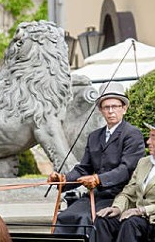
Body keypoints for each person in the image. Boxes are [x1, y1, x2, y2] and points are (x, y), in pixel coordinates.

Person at [47, 81, 145, 233]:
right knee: (65, 217)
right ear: (100, 110)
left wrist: (98, 179)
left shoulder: (132, 134)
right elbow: (83, 168)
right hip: (95, 195)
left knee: (85, 220)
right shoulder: (94, 136)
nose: (111, 111)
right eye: (106, 107)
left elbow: (126, 169)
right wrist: (62, 180)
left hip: (121, 196)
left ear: (124, 109)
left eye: (115, 107)